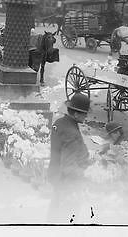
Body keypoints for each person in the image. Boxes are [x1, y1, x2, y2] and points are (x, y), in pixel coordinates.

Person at [47, 93, 91, 223]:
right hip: (68, 183)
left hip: (55, 174)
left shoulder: (59, 122)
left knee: (54, 212)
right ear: (76, 114)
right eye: (85, 113)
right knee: (68, 218)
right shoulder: (72, 134)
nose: (86, 116)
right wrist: (88, 175)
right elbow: (68, 166)